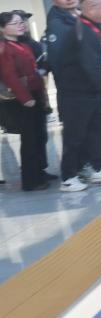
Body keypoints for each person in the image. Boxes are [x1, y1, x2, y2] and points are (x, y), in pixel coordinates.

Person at [56, 0, 101, 192]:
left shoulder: (94, 27)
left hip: (91, 91)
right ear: (91, 8)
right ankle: (68, 177)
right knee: (75, 136)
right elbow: (90, 65)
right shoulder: (82, 31)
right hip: (77, 93)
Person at [0, 13, 50, 190]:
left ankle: (39, 173)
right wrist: (26, 98)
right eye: (15, 23)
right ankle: (31, 181)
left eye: (21, 22)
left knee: (37, 136)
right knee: (29, 139)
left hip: (34, 94)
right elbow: (9, 76)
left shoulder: (22, 44)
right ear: (3, 28)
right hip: (22, 98)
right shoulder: (4, 48)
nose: (20, 25)